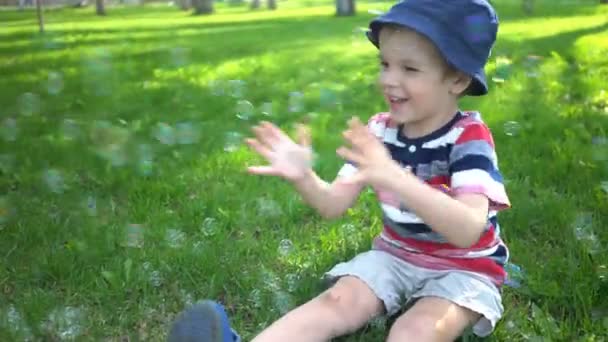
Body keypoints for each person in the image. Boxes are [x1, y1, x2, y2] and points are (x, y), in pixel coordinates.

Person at [168, 0, 512, 341]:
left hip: (463, 268)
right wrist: (303, 176)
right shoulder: (379, 132)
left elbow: (468, 229)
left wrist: (393, 175)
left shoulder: (469, 137)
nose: (389, 80)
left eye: (409, 69)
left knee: (415, 330)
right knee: (338, 300)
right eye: (385, 64)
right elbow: (333, 204)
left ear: (456, 79)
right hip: (395, 257)